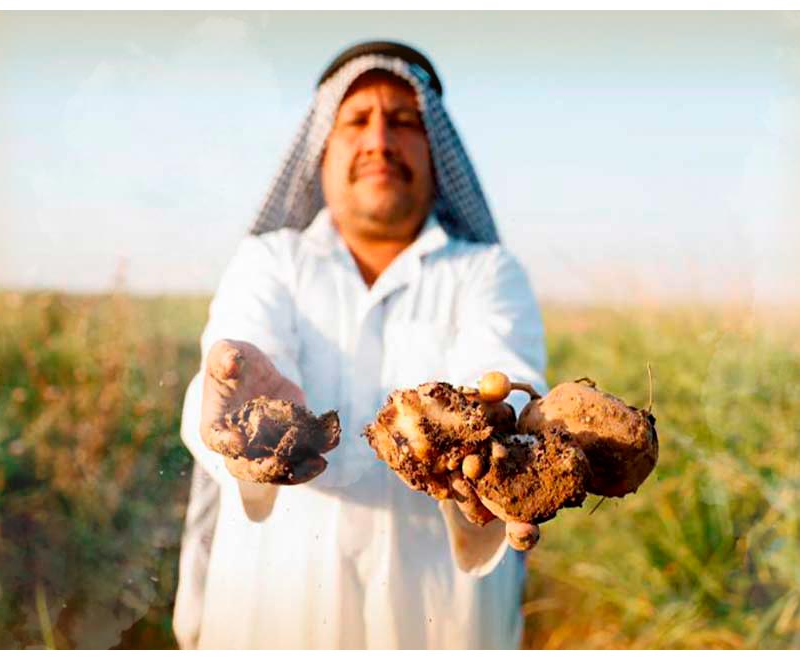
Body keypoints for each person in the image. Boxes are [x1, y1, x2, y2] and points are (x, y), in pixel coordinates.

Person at [172, 40, 548, 650]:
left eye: (404, 123)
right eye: (357, 121)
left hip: (435, 617)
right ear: (321, 150)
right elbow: (232, 367)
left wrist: (489, 443)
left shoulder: (487, 272)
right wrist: (246, 406)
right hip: (272, 611)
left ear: (436, 154)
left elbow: (502, 384)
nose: (379, 139)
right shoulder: (270, 261)